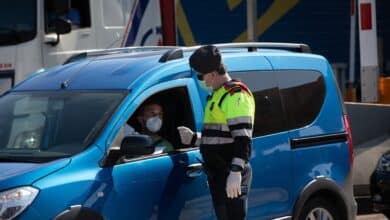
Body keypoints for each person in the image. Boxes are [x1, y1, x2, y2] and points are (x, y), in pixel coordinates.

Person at [177, 45, 255, 219]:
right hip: (220, 174)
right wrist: (194, 139)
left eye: (200, 75)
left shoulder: (235, 95)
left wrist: (236, 172)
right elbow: (220, 136)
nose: (200, 79)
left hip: (231, 173)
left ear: (212, 74)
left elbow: (243, 139)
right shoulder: (218, 95)